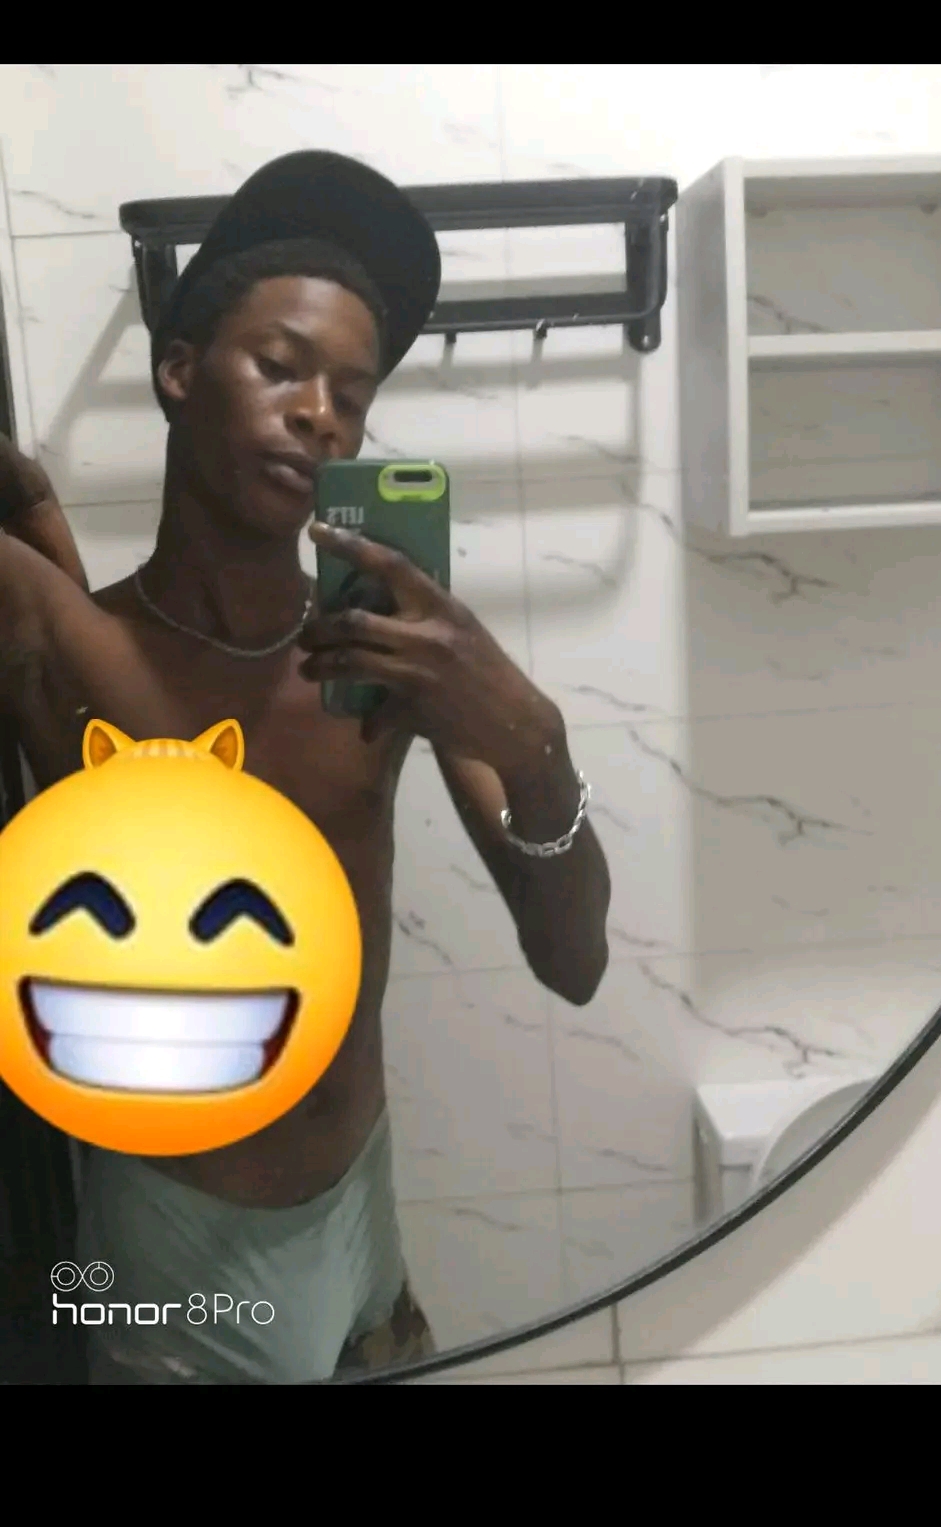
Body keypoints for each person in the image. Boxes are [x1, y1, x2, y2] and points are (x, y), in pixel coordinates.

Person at [0, 151, 611, 1385]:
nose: (318, 413)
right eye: (279, 366)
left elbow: (573, 962)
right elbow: (133, 682)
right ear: (180, 369)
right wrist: (41, 517)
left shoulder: (381, 654)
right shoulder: (62, 633)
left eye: (351, 392)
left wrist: (531, 744)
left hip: (361, 1211)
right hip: (173, 1246)